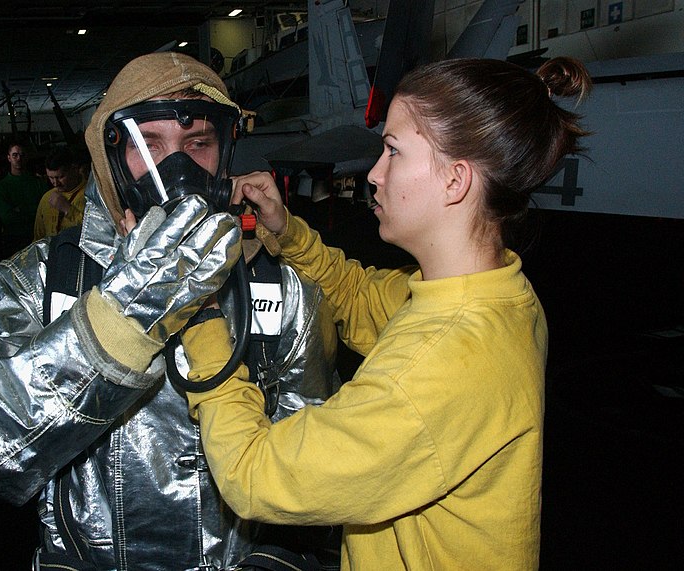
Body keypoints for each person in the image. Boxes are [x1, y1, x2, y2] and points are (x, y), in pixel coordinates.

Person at [0, 52, 340, 571]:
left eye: (198, 143)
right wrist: (126, 313)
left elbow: (314, 469)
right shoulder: (44, 277)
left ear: (224, 151)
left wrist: (275, 560)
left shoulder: (279, 284)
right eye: (150, 144)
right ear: (111, 154)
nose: (177, 165)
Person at [182, 57, 593, 570]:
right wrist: (286, 232)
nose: (374, 173)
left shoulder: (437, 364)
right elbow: (359, 296)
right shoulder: (498, 293)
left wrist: (198, 317)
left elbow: (253, 475)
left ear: (455, 181)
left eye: (393, 152)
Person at [0, 142, 47, 256]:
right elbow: (7, 218)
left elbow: (45, 211)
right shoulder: (1, 187)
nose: (18, 159)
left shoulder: (39, 184)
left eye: (22, 155)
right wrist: (33, 209)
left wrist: (20, 210)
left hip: (37, 238)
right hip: (13, 241)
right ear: (9, 158)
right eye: (15, 155)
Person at [33, 145, 86, 240]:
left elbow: (97, 231)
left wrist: (68, 210)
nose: (55, 183)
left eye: (60, 177)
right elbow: (38, 237)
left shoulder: (90, 195)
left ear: (74, 169)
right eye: (51, 178)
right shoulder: (47, 198)